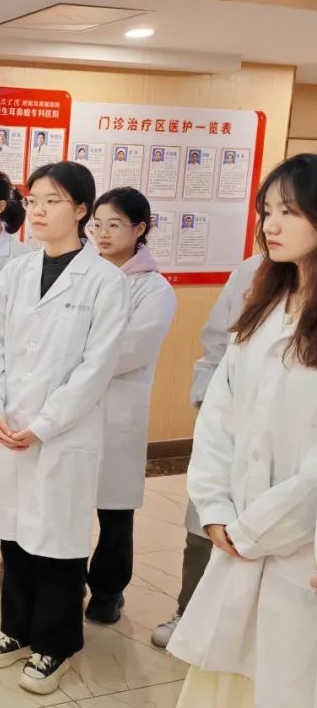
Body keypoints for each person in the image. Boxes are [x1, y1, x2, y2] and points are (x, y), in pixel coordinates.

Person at [0, 161, 130, 695]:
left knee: (57, 540)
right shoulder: (15, 273)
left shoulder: (106, 282)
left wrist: (43, 424)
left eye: (52, 201)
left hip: (63, 434)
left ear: (81, 210)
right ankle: (16, 629)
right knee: (15, 533)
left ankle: (56, 644)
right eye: (33, 199)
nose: (37, 210)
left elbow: (95, 369)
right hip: (8, 425)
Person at [168, 154, 317, 708]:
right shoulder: (266, 306)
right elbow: (220, 414)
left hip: (299, 546)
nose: (271, 225)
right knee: (227, 679)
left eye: (289, 211)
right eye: (267, 211)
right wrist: (214, 508)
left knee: (287, 681)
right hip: (238, 534)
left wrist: (253, 528)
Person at [151, 253, 262, 647]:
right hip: (229, 420)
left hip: (286, 436)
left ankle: (244, 630)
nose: (272, 227)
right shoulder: (250, 271)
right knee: (202, 528)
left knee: (266, 537)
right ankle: (189, 613)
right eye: (268, 221)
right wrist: (207, 398)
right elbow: (217, 342)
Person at [84, 188, 177, 624]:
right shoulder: (83, 274)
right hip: (73, 407)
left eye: (115, 225)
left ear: (140, 229)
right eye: (97, 224)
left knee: (114, 510)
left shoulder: (154, 289)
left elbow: (131, 349)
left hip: (117, 408)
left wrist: (75, 358)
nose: (102, 234)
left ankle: (107, 591)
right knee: (68, 501)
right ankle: (65, 579)